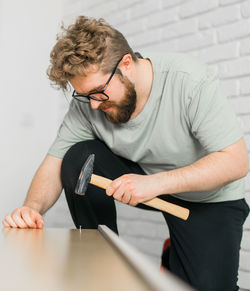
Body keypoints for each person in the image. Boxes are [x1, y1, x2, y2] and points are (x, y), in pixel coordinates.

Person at [2, 16, 249, 290]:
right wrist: (31, 209)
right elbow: (55, 161)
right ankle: (102, 260)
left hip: (208, 197)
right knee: (78, 157)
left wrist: (156, 183)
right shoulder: (89, 102)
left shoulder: (190, 81)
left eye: (98, 92)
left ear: (127, 65)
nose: (93, 106)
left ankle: (174, 255)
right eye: (85, 96)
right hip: (145, 180)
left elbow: (236, 162)